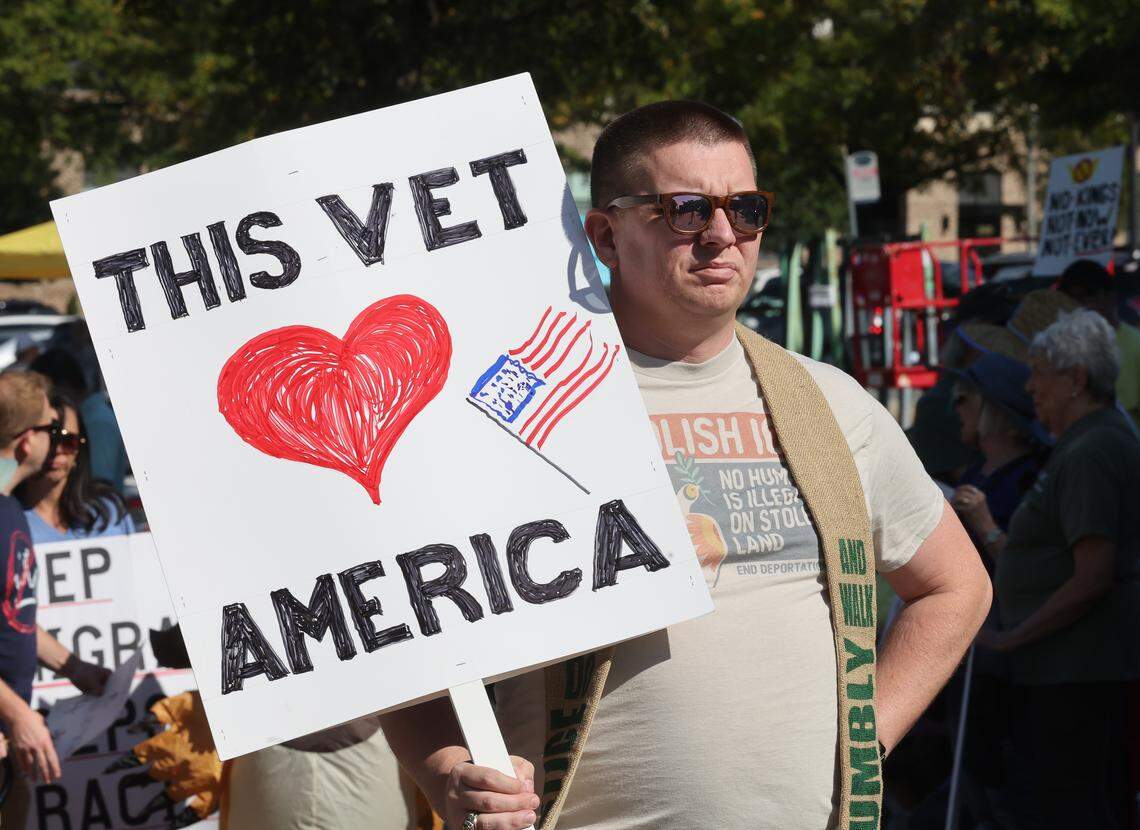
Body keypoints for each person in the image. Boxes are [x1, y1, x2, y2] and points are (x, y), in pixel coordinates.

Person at [382, 101, 991, 830]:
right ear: (606, 233)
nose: (722, 235)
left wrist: (866, 739)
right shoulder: (513, 408)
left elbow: (954, 588)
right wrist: (450, 773)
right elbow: (397, 645)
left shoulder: (831, 403)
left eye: (746, 209)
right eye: (685, 210)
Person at [982, 309, 1140, 827]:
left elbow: (1091, 576)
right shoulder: (1086, 440)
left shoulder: (1094, 449)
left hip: (1076, 678)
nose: (1029, 387)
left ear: (1074, 380)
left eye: (1038, 373)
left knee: (1070, 807)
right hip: (1068, 674)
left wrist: (1013, 638)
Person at [0, 371, 111, 828]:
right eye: (52, 427)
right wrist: (19, 715)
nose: (61, 438)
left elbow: (13, 618)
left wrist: (73, 667)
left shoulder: (8, 507)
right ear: (28, 443)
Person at [14, 389, 134, 541]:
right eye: (50, 439)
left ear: (80, 448)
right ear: (26, 443)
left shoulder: (110, 514)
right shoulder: (7, 521)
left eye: (68, 441)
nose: (58, 450)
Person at [1057, 258, 1140, 431]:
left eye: (1086, 297)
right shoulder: (1056, 352)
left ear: (1110, 296)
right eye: (1070, 299)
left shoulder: (1136, 346)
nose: (1078, 307)